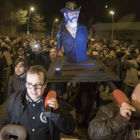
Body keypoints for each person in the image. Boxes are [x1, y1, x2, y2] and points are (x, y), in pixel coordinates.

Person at [0, 65, 76, 140]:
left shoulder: (56, 102)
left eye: (38, 85)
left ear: (45, 84)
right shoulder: (14, 100)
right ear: (26, 83)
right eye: (30, 84)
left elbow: (70, 129)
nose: (33, 89)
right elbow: (6, 123)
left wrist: (56, 112)